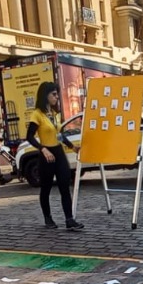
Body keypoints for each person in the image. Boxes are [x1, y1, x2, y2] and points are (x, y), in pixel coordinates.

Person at [25, 81, 83, 230]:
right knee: (46, 188)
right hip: (47, 155)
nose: (57, 97)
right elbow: (29, 136)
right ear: (46, 95)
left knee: (65, 185)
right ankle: (48, 218)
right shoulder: (37, 114)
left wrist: (72, 147)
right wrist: (42, 149)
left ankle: (69, 220)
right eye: (54, 94)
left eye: (57, 94)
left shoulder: (54, 114)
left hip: (58, 152)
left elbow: (59, 135)